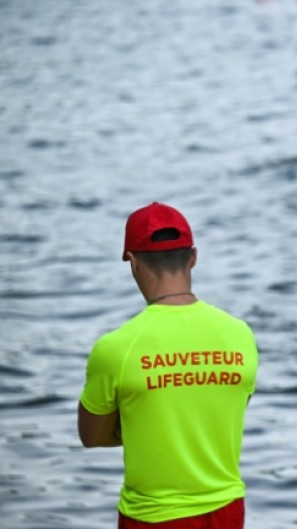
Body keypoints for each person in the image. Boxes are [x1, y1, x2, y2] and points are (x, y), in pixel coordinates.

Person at [78, 202, 259, 528]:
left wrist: (144, 423)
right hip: (228, 511)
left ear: (133, 261)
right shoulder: (239, 334)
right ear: (193, 257)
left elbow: (92, 436)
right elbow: (224, 415)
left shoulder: (116, 347)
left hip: (153, 517)